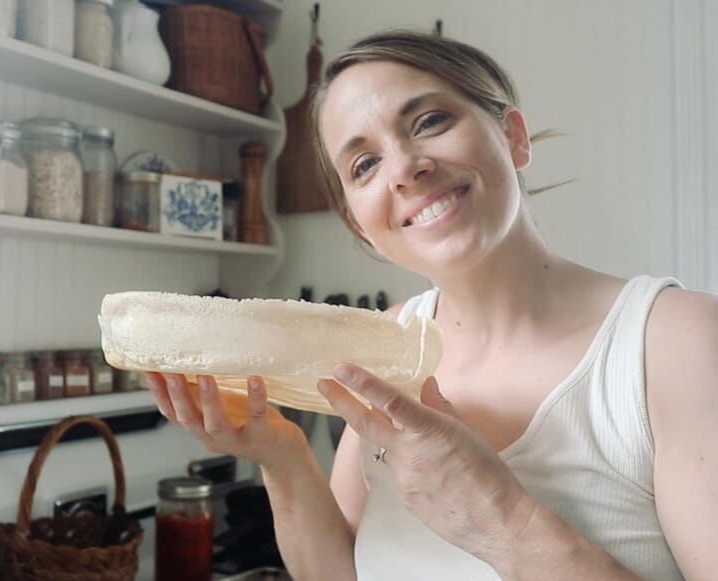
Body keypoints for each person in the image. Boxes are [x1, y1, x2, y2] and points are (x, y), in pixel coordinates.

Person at [146, 31, 717, 580]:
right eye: (363, 165)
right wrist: (280, 452)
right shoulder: (381, 346)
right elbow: (337, 573)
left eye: (429, 122)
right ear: (360, 225)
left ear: (513, 136)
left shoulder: (676, 341)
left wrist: (499, 515)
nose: (403, 168)